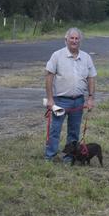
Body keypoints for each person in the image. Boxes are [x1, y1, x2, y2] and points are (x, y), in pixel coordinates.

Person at [44, 28, 97, 162]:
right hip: (60, 101)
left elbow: (91, 78)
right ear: (66, 40)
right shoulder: (57, 55)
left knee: (74, 132)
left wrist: (90, 98)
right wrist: (50, 99)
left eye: (76, 38)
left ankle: (70, 158)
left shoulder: (86, 57)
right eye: (71, 38)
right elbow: (49, 76)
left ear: (80, 41)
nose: (74, 41)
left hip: (78, 101)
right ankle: (50, 156)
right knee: (55, 130)